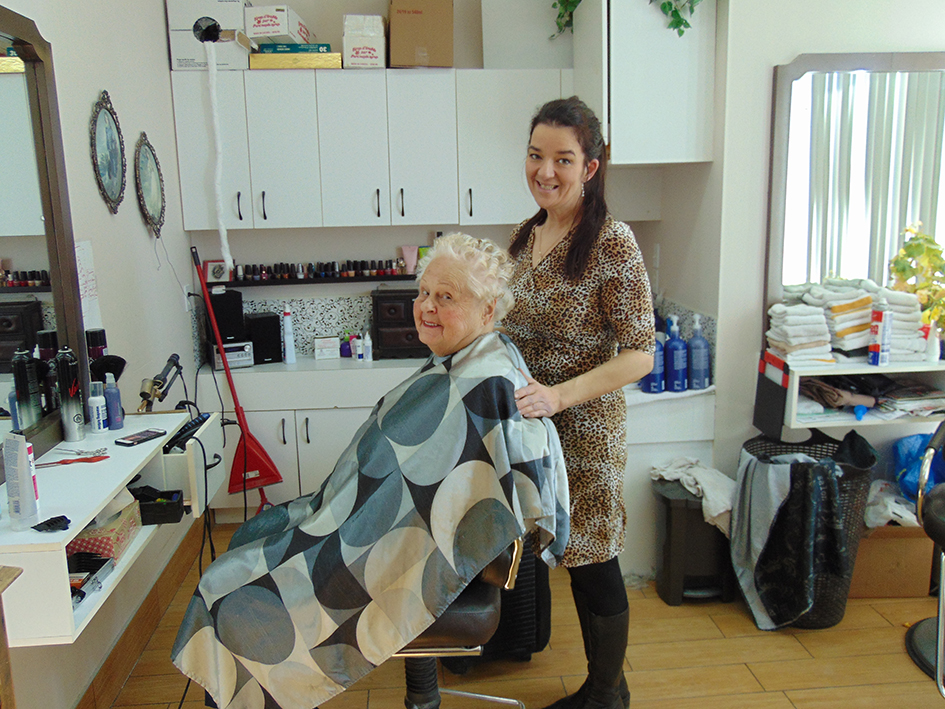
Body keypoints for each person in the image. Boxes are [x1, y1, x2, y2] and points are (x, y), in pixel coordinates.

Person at [172, 233, 569, 709]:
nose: (426, 306)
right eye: (424, 292)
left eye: (446, 297)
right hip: (360, 521)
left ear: (487, 311)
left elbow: (437, 502)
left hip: (388, 546)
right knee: (249, 539)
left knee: (229, 595)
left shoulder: (482, 384)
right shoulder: (471, 359)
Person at [503, 97, 656, 709]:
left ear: (590, 167)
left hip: (586, 429)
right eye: (535, 155)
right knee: (551, 548)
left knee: (592, 558)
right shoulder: (526, 234)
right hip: (531, 424)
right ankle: (597, 684)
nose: (545, 171)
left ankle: (606, 692)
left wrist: (559, 395)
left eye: (562, 159)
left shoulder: (611, 243)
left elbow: (640, 354)